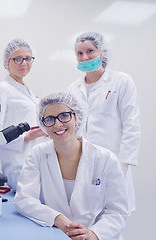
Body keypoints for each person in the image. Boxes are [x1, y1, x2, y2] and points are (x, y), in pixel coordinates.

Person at [14, 92, 129, 240]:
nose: (57, 124)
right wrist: (57, 218)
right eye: (49, 119)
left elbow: (117, 211)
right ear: (43, 125)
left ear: (77, 117)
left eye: (64, 116)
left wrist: (94, 234)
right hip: (55, 234)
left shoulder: (105, 159)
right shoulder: (37, 155)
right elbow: (24, 199)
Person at [68, 32, 141, 213]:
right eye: (79, 53)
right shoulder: (73, 88)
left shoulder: (121, 81)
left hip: (114, 161)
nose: (85, 57)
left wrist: (123, 164)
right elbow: (71, 126)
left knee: (113, 217)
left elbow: (131, 124)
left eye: (90, 51)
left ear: (102, 52)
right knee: (85, 218)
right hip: (82, 163)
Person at [0, 38, 48, 191]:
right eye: (17, 59)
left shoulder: (26, 90)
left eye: (28, 59)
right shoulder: (2, 89)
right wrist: (27, 136)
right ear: (6, 62)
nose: (24, 63)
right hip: (18, 165)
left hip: (35, 159)